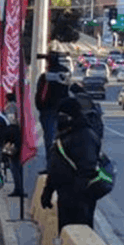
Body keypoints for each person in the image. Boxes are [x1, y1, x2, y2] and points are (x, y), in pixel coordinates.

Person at [42, 97, 104, 231]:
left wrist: (76, 199)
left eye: (62, 115)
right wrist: (48, 190)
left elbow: (87, 170)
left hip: (78, 200)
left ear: (71, 116)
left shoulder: (84, 136)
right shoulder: (67, 133)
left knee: (79, 234)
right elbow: (57, 165)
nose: (58, 119)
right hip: (65, 196)